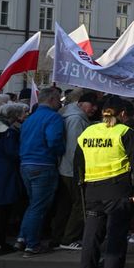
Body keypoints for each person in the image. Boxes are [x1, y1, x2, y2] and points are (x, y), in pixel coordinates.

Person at [73, 103, 134, 268]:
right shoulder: (124, 131)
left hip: (92, 190)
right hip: (117, 190)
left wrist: (81, 184)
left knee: (91, 235)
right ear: (121, 114)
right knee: (116, 234)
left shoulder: (88, 131)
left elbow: (78, 162)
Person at [18, 86, 65, 257]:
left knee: (33, 205)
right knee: (39, 206)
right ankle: (32, 244)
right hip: (43, 164)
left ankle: (23, 238)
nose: (60, 103)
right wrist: (61, 150)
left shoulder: (30, 118)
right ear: (52, 100)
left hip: (26, 164)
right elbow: (54, 141)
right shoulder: (54, 118)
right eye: (59, 100)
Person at [53, 89, 96, 251]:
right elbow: (76, 148)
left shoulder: (71, 116)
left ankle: (58, 236)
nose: (94, 109)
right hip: (72, 169)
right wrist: (79, 171)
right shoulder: (77, 120)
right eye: (91, 105)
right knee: (80, 204)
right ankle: (69, 238)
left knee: (65, 204)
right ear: (80, 103)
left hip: (65, 168)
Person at [0, 103, 22, 255]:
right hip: (4, 173)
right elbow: (12, 153)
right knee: (2, 210)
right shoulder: (8, 132)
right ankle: (0, 243)